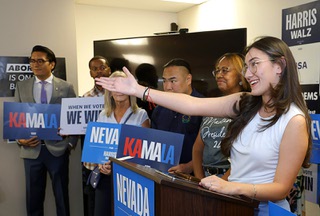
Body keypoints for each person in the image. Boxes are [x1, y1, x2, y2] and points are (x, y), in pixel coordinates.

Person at [95, 36, 312, 216]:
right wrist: (140, 91)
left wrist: (231, 186)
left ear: (280, 65)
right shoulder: (245, 103)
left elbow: (281, 188)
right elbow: (192, 105)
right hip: (233, 205)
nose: (247, 74)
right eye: (247, 67)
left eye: (255, 64)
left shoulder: (294, 120)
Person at [14, 45, 78, 216]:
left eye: (40, 61)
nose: (35, 64)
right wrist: (20, 140)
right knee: (33, 198)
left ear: (52, 64)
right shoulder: (22, 86)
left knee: (61, 197)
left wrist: (70, 143)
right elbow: (16, 118)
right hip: (31, 150)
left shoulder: (66, 87)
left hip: (57, 150)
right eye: (32, 61)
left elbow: (74, 118)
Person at [94, 71, 150, 216]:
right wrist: (101, 164)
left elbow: (145, 151)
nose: (118, 90)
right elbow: (98, 148)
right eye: (114, 86)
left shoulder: (141, 114)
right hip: (106, 177)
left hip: (130, 178)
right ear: (109, 91)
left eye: (122, 85)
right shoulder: (103, 114)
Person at [193, 53, 250, 179]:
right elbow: (197, 149)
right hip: (206, 179)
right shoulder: (213, 105)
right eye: (217, 71)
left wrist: (221, 184)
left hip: (232, 181)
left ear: (241, 75)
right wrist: (200, 180)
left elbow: (246, 157)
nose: (219, 75)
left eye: (225, 70)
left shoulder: (248, 107)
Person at [151, 58, 203, 174]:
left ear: (188, 79)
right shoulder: (159, 110)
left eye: (173, 81)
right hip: (163, 175)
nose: (167, 87)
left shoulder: (205, 107)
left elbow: (211, 149)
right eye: (164, 81)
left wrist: (189, 167)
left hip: (194, 177)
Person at [81, 56, 111, 216]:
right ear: (91, 73)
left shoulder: (118, 95)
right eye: (95, 69)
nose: (99, 71)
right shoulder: (84, 99)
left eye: (102, 67)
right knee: (94, 204)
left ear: (109, 70)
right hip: (93, 162)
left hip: (114, 160)